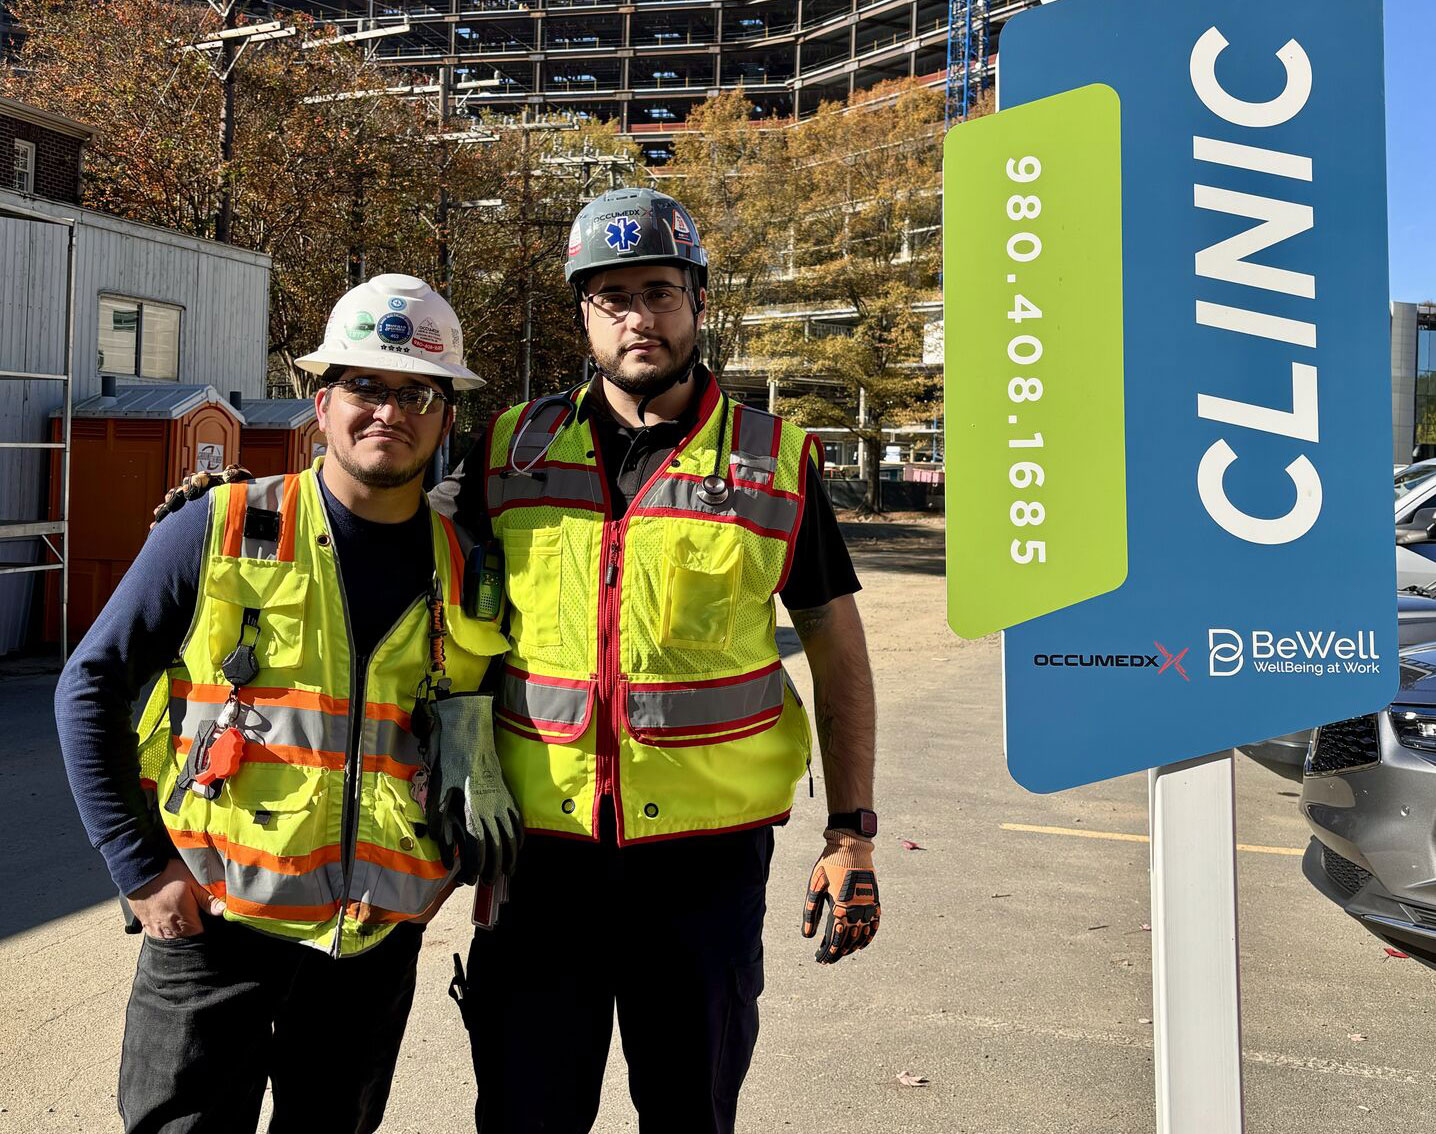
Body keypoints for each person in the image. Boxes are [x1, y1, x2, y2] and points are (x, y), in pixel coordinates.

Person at [431, 188, 881, 1134]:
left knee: (689, 1111)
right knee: (523, 1113)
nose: (641, 317)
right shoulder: (510, 450)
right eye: (613, 297)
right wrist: (244, 495)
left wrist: (851, 834)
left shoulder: (775, 462)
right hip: (539, 861)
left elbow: (839, 653)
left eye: (661, 293)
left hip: (704, 870)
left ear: (700, 304)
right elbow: (386, 525)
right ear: (582, 314)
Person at [55, 273, 515, 1134]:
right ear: (321, 399)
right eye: (364, 386)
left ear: (448, 414)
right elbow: (90, 687)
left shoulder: (469, 570)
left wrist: (453, 870)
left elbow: (473, 739)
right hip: (210, 922)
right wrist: (140, 870)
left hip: (372, 944)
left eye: (417, 390)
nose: (389, 411)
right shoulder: (220, 526)